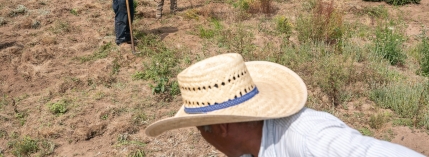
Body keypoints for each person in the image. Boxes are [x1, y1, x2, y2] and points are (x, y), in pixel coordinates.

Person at [145, 53, 424, 157]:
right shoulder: (255, 147)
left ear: (220, 126)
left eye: (200, 130)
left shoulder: (310, 139)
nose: (204, 140)